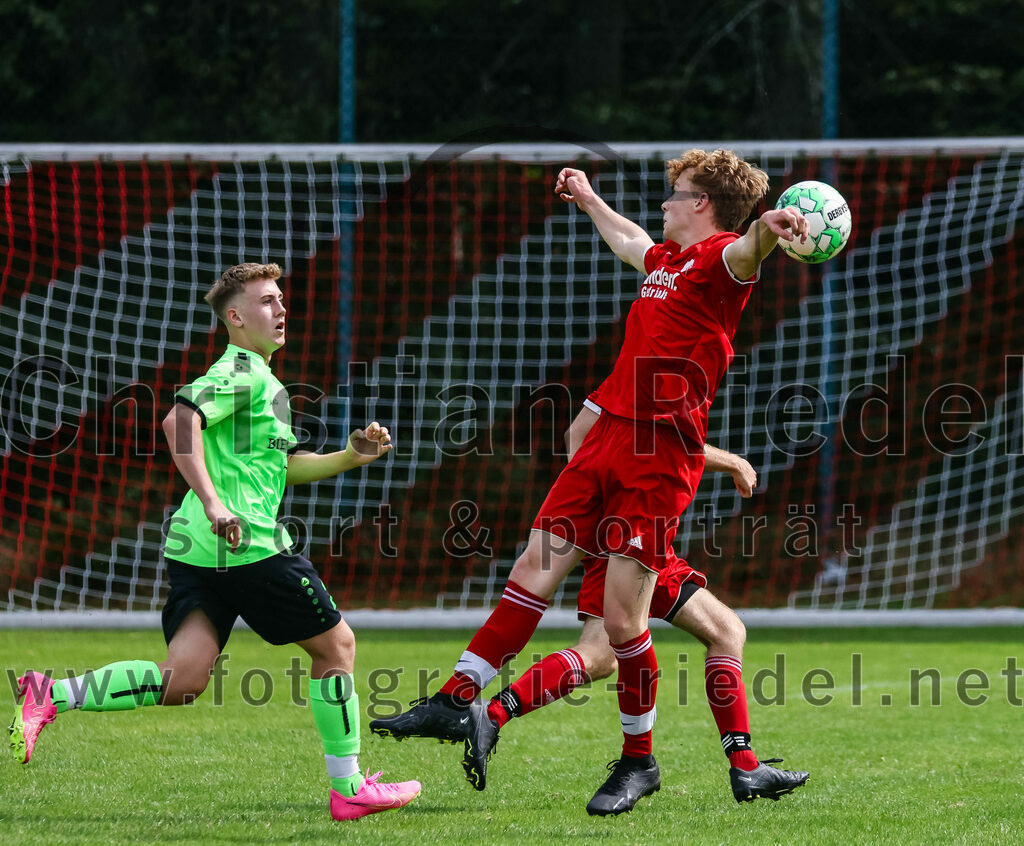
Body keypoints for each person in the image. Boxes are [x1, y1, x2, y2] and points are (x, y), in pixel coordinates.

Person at [371, 148, 810, 816]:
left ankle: (639, 761)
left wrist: (766, 228)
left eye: (677, 193)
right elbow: (632, 240)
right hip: (607, 444)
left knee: (618, 627)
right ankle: (457, 700)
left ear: (702, 205)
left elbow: (745, 255)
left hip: (657, 459)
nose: (663, 203)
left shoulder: (721, 258)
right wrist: (589, 198)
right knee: (534, 567)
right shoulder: (666, 263)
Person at [9, 262, 421, 822]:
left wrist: (351, 457)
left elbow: (280, 469)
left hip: (198, 549)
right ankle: (349, 788)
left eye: (280, 300)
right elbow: (178, 422)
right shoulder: (243, 372)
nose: (281, 310)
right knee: (337, 648)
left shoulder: (265, 383)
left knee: (183, 678)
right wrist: (213, 500)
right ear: (234, 316)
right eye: (267, 301)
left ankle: (48, 694)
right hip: (244, 543)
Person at [472, 401, 809, 804]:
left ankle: (745, 766)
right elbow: (616, 440)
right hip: (629, 539)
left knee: (724, 631)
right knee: (601, 654)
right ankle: (494, 714)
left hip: (639, 540)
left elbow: (588, 436)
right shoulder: (649, 375)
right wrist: (732, 461)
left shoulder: (636, 378)